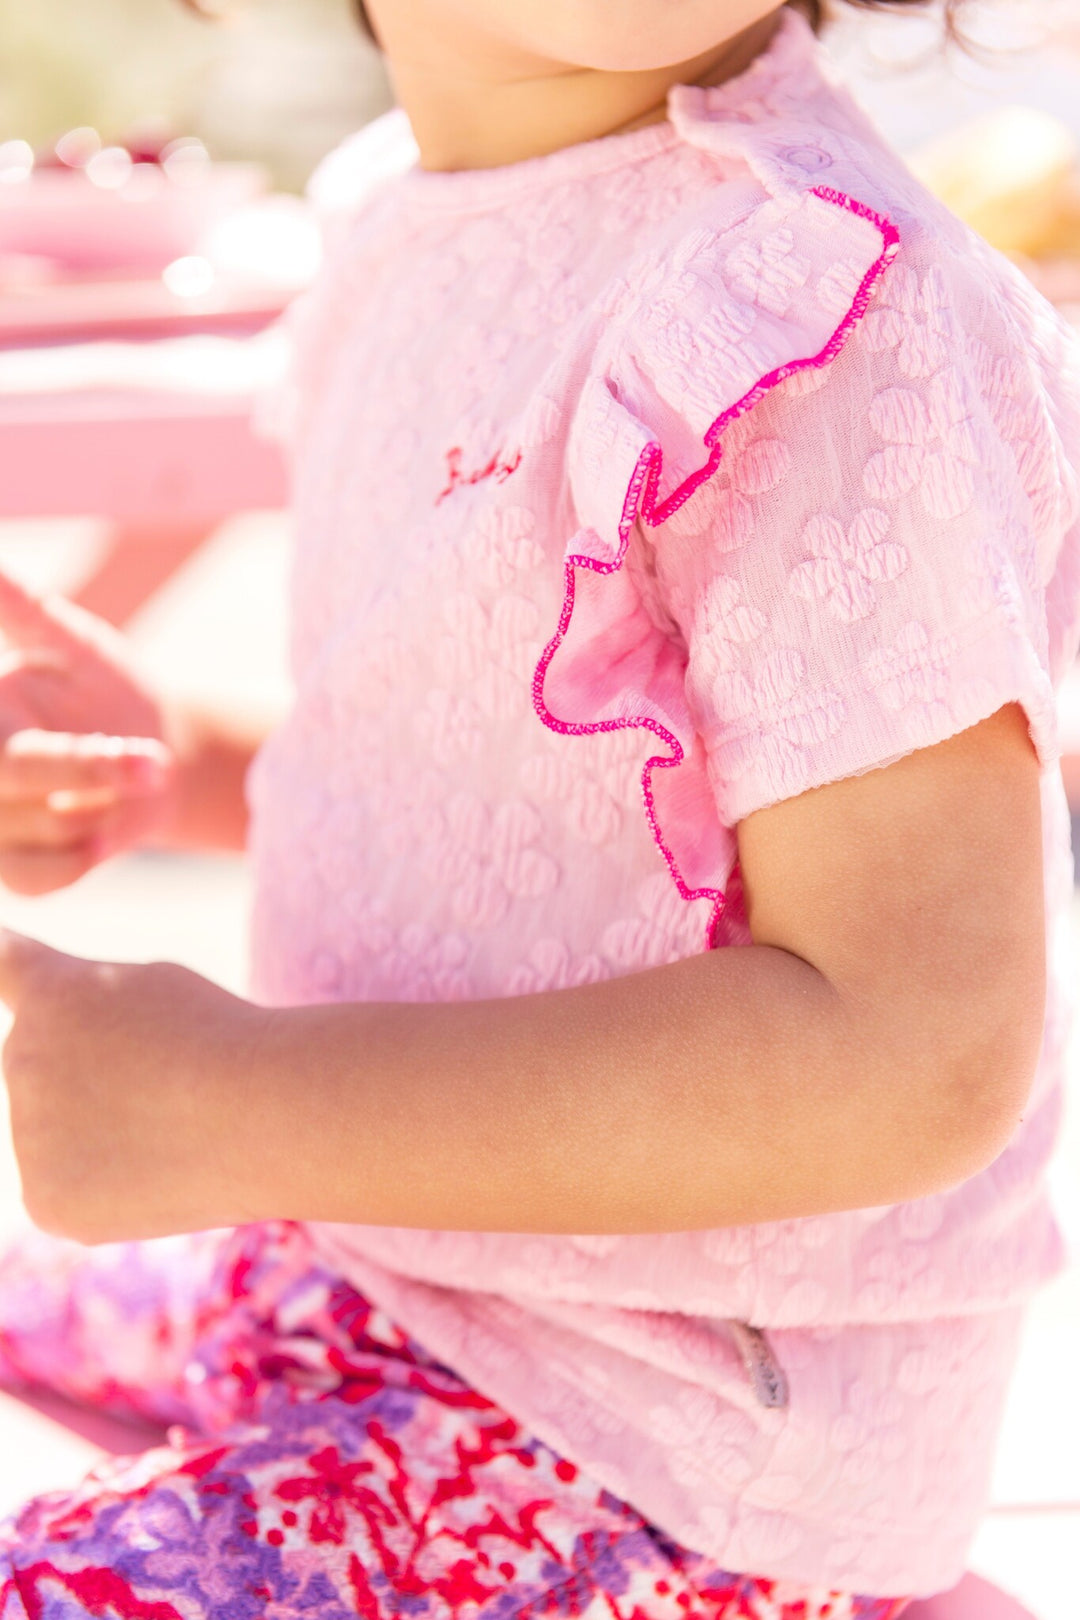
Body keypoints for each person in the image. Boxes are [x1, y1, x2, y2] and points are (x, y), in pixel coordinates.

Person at [0, 1, 1076, 1615]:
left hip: (677, 1441)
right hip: (387, 1259)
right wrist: (182, 761)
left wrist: (235, 1101)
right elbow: (494, 770)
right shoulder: (401, 215)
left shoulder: (820, 309)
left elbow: (911, 1049)